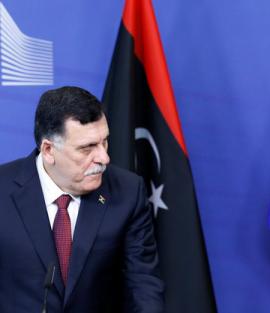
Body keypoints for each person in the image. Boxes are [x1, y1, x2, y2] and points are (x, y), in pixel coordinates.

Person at [0, 86, 164, 312]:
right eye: (87, 148)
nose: (104, 158)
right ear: (48, 150)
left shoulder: (128, 192)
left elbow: (142, 284)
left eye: (104, 142)